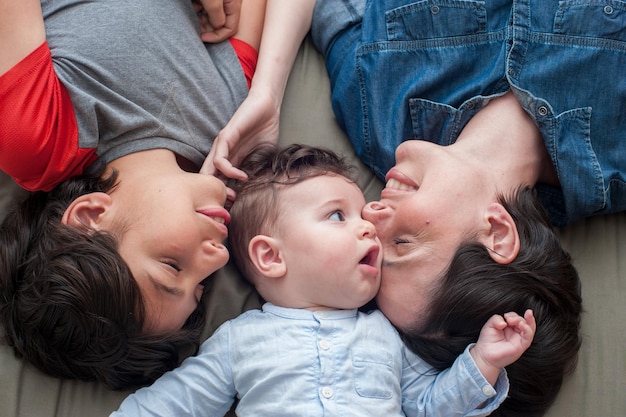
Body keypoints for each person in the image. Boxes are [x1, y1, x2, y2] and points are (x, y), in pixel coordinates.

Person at [201, 1, 607, 415]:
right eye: (404, 242)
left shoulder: (375, 110)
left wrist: (267, 91)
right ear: (497, 232)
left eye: (376, 245)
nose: (373, 214)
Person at [111, 143, 536, 417]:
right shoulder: (238, 342)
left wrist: (483, 361)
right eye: (338, 215)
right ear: (271, 256)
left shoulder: (386, 335)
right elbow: (172, 405)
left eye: (361, 211)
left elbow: (429, 406)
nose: (369, 225)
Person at [0, 0, 265, 390]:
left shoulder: (42, 142)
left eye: (173, 267)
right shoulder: (231, 127)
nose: (219, 258)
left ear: (90, 216)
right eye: (200, 286)